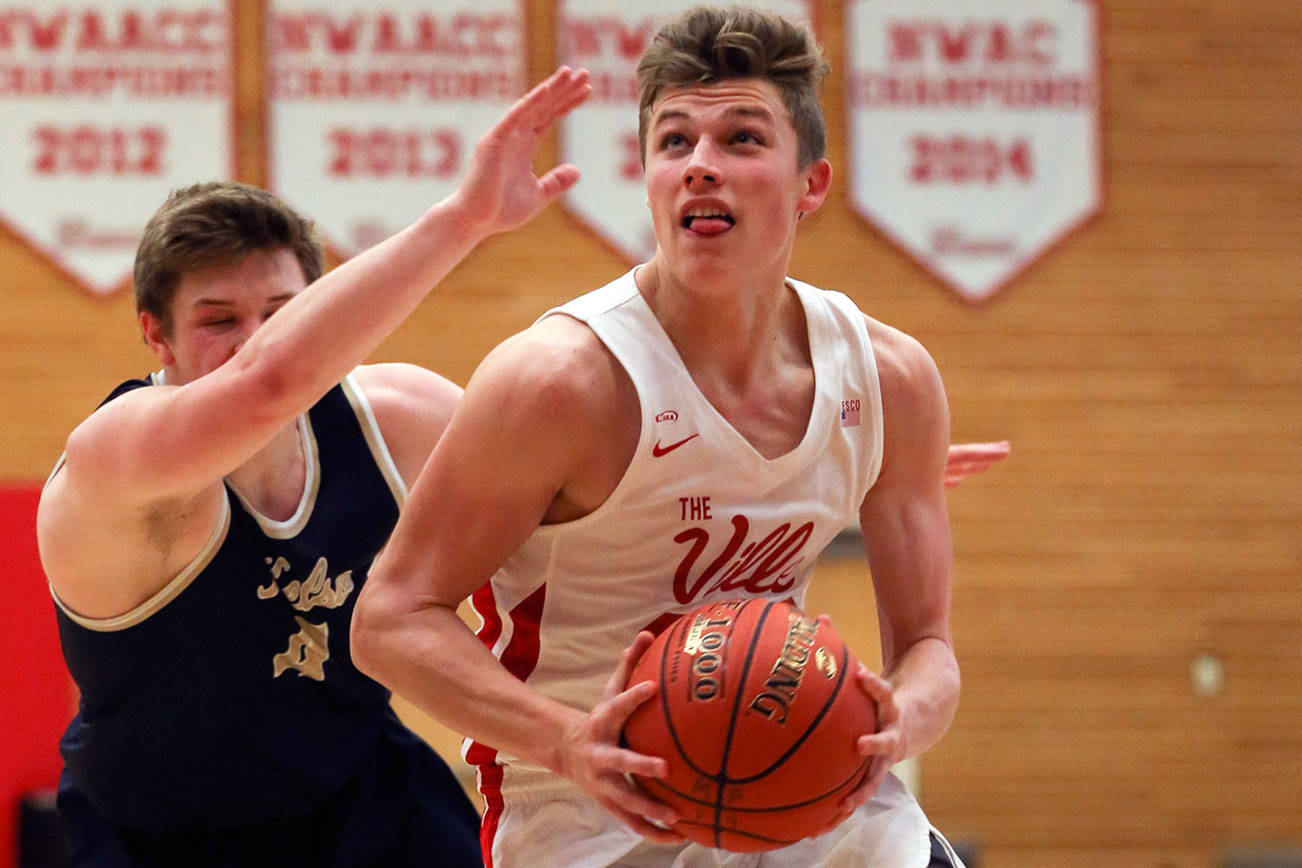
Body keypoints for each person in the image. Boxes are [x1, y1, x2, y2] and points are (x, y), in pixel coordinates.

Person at [352, 6, 984, 867]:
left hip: (797, 787)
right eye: (675, 141)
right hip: (585, 813)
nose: (701, 168)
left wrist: (901, 712)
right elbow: (388, 620)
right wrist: (568, 740)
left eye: (742, 139)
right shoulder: (560, 383)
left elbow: (930, 650)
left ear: (812, 184)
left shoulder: (891, 381)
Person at [35, 67, 595, 866]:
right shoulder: (115, 461)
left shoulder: (395, 419)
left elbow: (582, 511)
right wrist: (462, 221)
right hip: (159, 836)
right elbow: (263, 385)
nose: (258, 339)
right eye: (219, 320)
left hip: (363, 801)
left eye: (284, 314)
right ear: (155, 337)